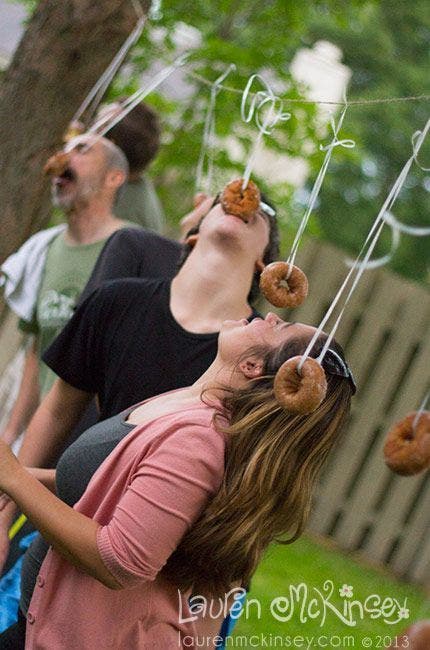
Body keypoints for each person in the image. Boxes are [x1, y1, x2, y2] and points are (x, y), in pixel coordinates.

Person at [0, 190, 280, 644]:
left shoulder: (256, 361)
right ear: (191, 234)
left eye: (261, 212)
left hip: (169, 576)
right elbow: (56, 411)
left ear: (268, 266)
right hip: (83, 526)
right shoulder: (116, 302)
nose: (241, 203)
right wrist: (8, 509)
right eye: (223, 200)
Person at [0, 314, 355, 648]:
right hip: (39, 625)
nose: (273, 316)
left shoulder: (198, 441)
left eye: (282, 327)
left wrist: (15, 478)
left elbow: (119, 560)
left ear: (252, 366)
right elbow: (111, 484)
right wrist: (25, 480)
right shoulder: (190, 405)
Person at [0, 134, 130, 449]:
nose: (65, 157)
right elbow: (37, 352)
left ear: (114, 178)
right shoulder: (46, 248)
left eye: (82, 150)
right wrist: (11, 434)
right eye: (64, 149)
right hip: (37, 437)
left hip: (91, 445)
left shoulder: (131, 249)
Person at [102, 99, 166, 232]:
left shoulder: (119, 212)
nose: (87, 133)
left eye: (98, 128)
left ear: (111, 146)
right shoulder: (131, 185)